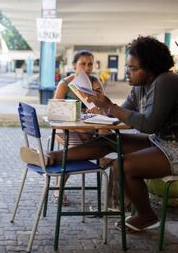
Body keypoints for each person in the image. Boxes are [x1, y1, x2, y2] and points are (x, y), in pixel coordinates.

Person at [49, 36, 178, 231]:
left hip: (174, 148)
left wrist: (111, 107)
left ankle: (147, 216)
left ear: (152, 68)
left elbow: (149, 124)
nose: (127, 72)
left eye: (133, 69)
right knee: (109, 139)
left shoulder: (167, 81)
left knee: (123, 165)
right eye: (127, 67)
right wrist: (101, 109)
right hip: (160, 142)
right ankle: (53, 157)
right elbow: (120, 115)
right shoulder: (140, 87)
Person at [52, 50, 105, 206]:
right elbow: (55, 112)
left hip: (88, 130)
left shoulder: (95, 82)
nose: (87, 68)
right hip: (65, 130)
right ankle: (58, 188)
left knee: (105, 142)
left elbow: (104, 108)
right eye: (83, 64)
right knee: (77, 146)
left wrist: (97, 109)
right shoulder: (65, 84)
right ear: (74, 65)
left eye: (90, 64)